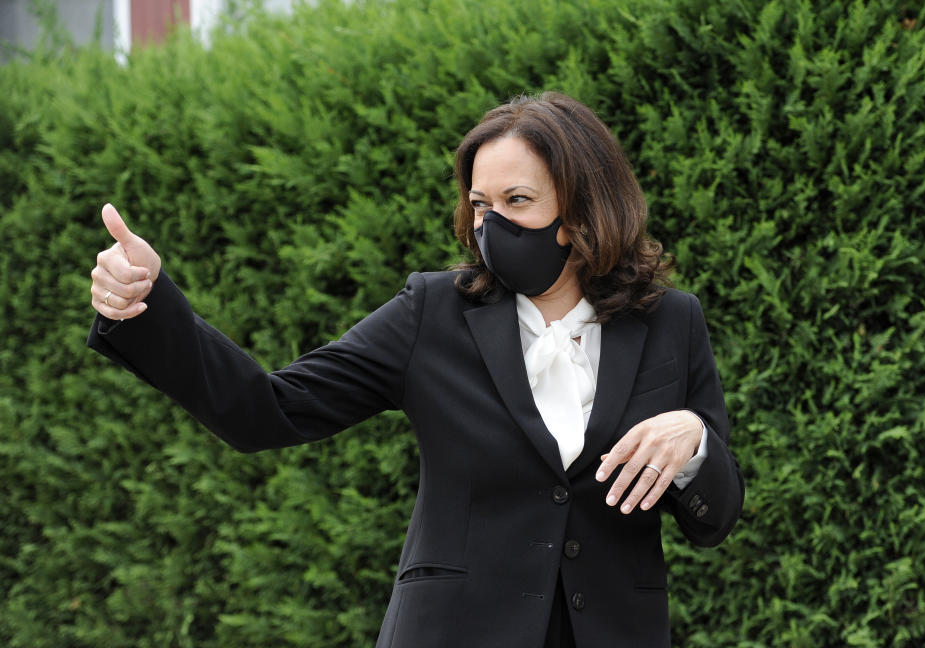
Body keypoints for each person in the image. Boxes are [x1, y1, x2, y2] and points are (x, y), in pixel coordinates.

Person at [88, 92, 744, 648]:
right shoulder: (433, 311)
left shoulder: (670, 322)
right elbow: (268, 410)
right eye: (482, 205)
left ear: (579, 211)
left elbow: (714, 519)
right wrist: (151, 307)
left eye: (518, 201)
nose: (493, 225)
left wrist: (693, 442)